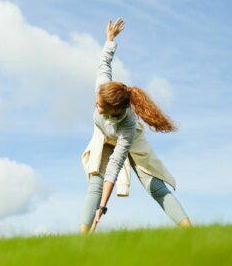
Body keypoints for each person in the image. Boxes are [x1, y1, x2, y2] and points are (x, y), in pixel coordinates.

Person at [80, 19, 192, 233]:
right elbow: (104, 62)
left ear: (115, 111)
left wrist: (103, 208)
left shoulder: (128, 126)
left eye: (100, 106)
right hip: (103, 137)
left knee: (155, 186)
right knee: (95, 182)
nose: (96, 105)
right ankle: (81, 239)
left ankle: (190, 231)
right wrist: (110, 39)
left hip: (128, 140)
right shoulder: (102, 89)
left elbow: (115, 165)